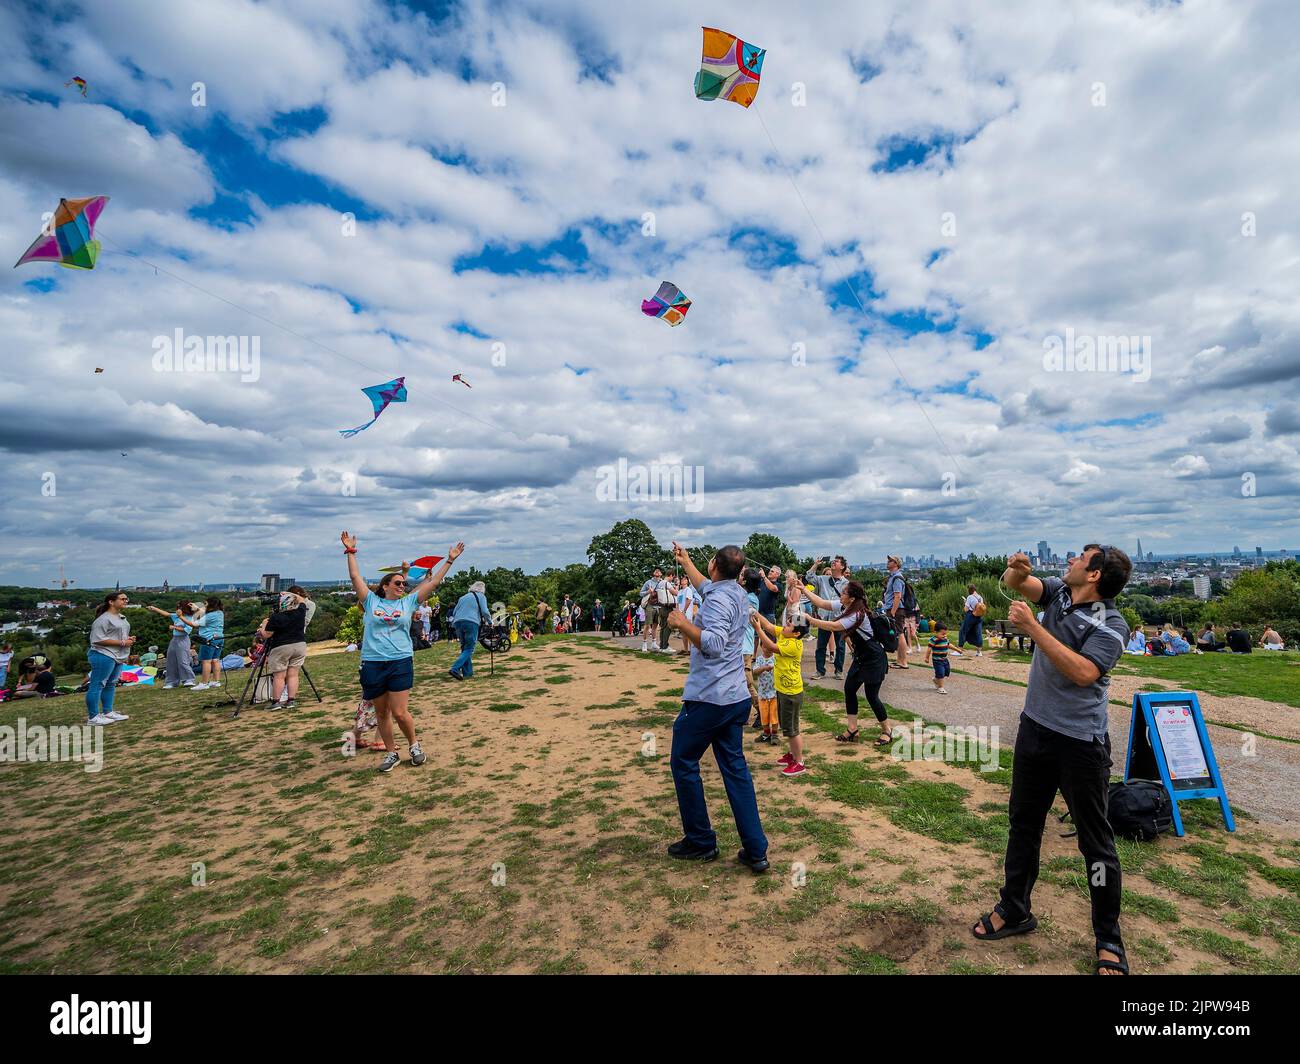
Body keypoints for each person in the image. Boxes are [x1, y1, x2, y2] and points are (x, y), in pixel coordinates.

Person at [972, 545, 1132, 977]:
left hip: (1081, 744)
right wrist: (1015, 570)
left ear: (1094, 575)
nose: (1073, 560)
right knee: (1024, 823)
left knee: (1095, 843)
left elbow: (1082, 672)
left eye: (1082, 557)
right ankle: (1015, 908)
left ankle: (1108, 940)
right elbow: (1016, 585)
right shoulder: (1060, 592)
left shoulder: (1112, 624)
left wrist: (1034, 629)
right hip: (1035, 730)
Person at [663, 542, 769, 873]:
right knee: (735, 770)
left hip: (710, 699)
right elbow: (706, 586)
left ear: (716, 566)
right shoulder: (733, 591)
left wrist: (681, 624)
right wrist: (687, 561)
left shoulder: (721, 599)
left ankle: (700, 840)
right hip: (735, 698)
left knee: (682, 760)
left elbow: (713, 644)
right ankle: (756, 849)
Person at [342, 531, 464, 772]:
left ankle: (414, 745)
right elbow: (354, 576)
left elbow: (434, 583)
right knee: (381, 712)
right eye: (397, 583)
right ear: (385, 585)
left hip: (400, 661)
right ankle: (390, 753)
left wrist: (450, 560)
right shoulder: (371, 602)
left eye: (404, 584)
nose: (402, 586)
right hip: (373, 662)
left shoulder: (408, 602)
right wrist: (351, 551)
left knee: (399, 711)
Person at [802, 581, 895, 746]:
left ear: (851, 598)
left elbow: (834, 626)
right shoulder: (847, 606)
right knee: (850, 689)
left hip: (873, 658)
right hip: (861, 656)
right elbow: (822, 603)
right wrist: (803, 589)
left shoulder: (857, 614)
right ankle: (852, 729)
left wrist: (810, 619)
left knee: (872, 696)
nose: (841, 595)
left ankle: (887, 730)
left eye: (844, 593)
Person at [751, 610, 809, 776]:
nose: (785, 625)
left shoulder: (793, 645)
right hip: (783, 690)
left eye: (789, 624)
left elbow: (770, 646)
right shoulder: (786, 634)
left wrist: (758, 629)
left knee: (792, 729)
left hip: (791, 693)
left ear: (797, 633)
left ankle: (799, 762)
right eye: (787, 621)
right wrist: (755, 612)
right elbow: (768, 625)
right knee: (786, 725)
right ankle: (793, 755)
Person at [258, 586, 313, 709]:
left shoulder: (276, 617)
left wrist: (264, 625)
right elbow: (303, 601)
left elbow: (267, 635)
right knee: (293, 674)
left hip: (281, 646)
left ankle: (276, 702)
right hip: (299, 645)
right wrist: (291, 595)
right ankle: (291, 700)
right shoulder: (300, 612)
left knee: (279, 675)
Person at [86, 591, 134, 725]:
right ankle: (93, 717)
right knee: (97, 684)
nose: (126, 601)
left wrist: (127, 639)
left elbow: (116, 635)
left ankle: (108, 712)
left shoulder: (121, 617)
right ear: (111, 602)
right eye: (122, 599)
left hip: (118, 655)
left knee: (111, 683)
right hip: (104, 654)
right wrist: (123, 642)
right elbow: (96, 640)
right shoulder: (103, 619)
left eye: (126, 599)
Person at [806, 556, 849, 679]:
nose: (833, 562)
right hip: (824, 617)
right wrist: (816, 564)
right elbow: (809, 577)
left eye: (837, 561)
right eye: (833, 561)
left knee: (840, 646)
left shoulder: (847, 584)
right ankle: (820, 671)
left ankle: (839, 671)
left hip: (839, 618)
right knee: (821, 646)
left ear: (842, 567)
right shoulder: (822, 579)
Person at [145, 601, 199, 688]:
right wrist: (154, 608)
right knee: (171, 661)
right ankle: (171, 682)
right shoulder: (176, 616)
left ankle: (189, 679)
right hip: (174, 639)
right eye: (177, 607)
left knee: (183, 660)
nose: (177, 609)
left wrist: (175, 627)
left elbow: (187, 630)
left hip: (183, 640)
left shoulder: (189, 618)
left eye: (179, 607)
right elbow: (166, 614)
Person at [449, 580, 490, 680]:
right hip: (471, 622)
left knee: (464, 647)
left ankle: (468, 672)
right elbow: (485, 611)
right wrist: (490, 621)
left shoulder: (463, 597)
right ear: (482, 589)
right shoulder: (481, 596)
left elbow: (454, 612)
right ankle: (455, 668)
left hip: (458, 623)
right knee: (469, 648)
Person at [751, 627, 778, 744]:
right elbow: (755, 671)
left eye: (770, 646)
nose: (767, 649)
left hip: (774, 692)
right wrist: (763, 668)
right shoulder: (760, 660)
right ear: (761, 646)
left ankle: (775, 735)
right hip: (762, 693)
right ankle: (766, 733)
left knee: (774, 714)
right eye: (765, 646)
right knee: (764, 714)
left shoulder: (776, 658)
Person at [192, 597, 225, 691]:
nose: (204, 606)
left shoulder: (209, 616)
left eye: (205, 604)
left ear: (211, 605)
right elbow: (205, 613)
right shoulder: (220, 613)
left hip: (208, 639)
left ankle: (204, 683)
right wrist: (198, 609)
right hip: (219, 638)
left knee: (206, 661)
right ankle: (216, 681)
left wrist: (182, 616)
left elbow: (194, 623)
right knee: (215, 660)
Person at [884, 556, 910, 669]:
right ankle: (900, 660)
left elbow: (897, 596)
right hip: (894, 609)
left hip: (896, 610)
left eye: (890, 561)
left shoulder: (897, 578)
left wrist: (893, 612)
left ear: (896, 564)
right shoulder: (893, 577)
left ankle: (903, 662)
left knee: (899, 634)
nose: (887, 562)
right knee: (898, 634)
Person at [925, 621, 953, 693]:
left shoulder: (945, 638)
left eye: (945, 634)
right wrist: (927, 657)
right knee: (940, 673)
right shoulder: (933, 640)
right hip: (937, 660)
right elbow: (929, 649)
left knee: (946, 672)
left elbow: (948, 645)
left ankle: (936, 679)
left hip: (945, 660)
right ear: (936, 632)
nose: (944, 635)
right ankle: (940, 688)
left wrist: (958, 650)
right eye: (942, 634)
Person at [958, 584, 985, 656]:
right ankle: (979, 652)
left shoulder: (970, 597)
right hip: (979, 617)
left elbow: (966, 609)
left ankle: (959, 650)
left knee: (962, 630)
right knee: (978, 633)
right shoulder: (980, 597)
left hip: (971, 616)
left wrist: (965, 603)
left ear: (969, 590)